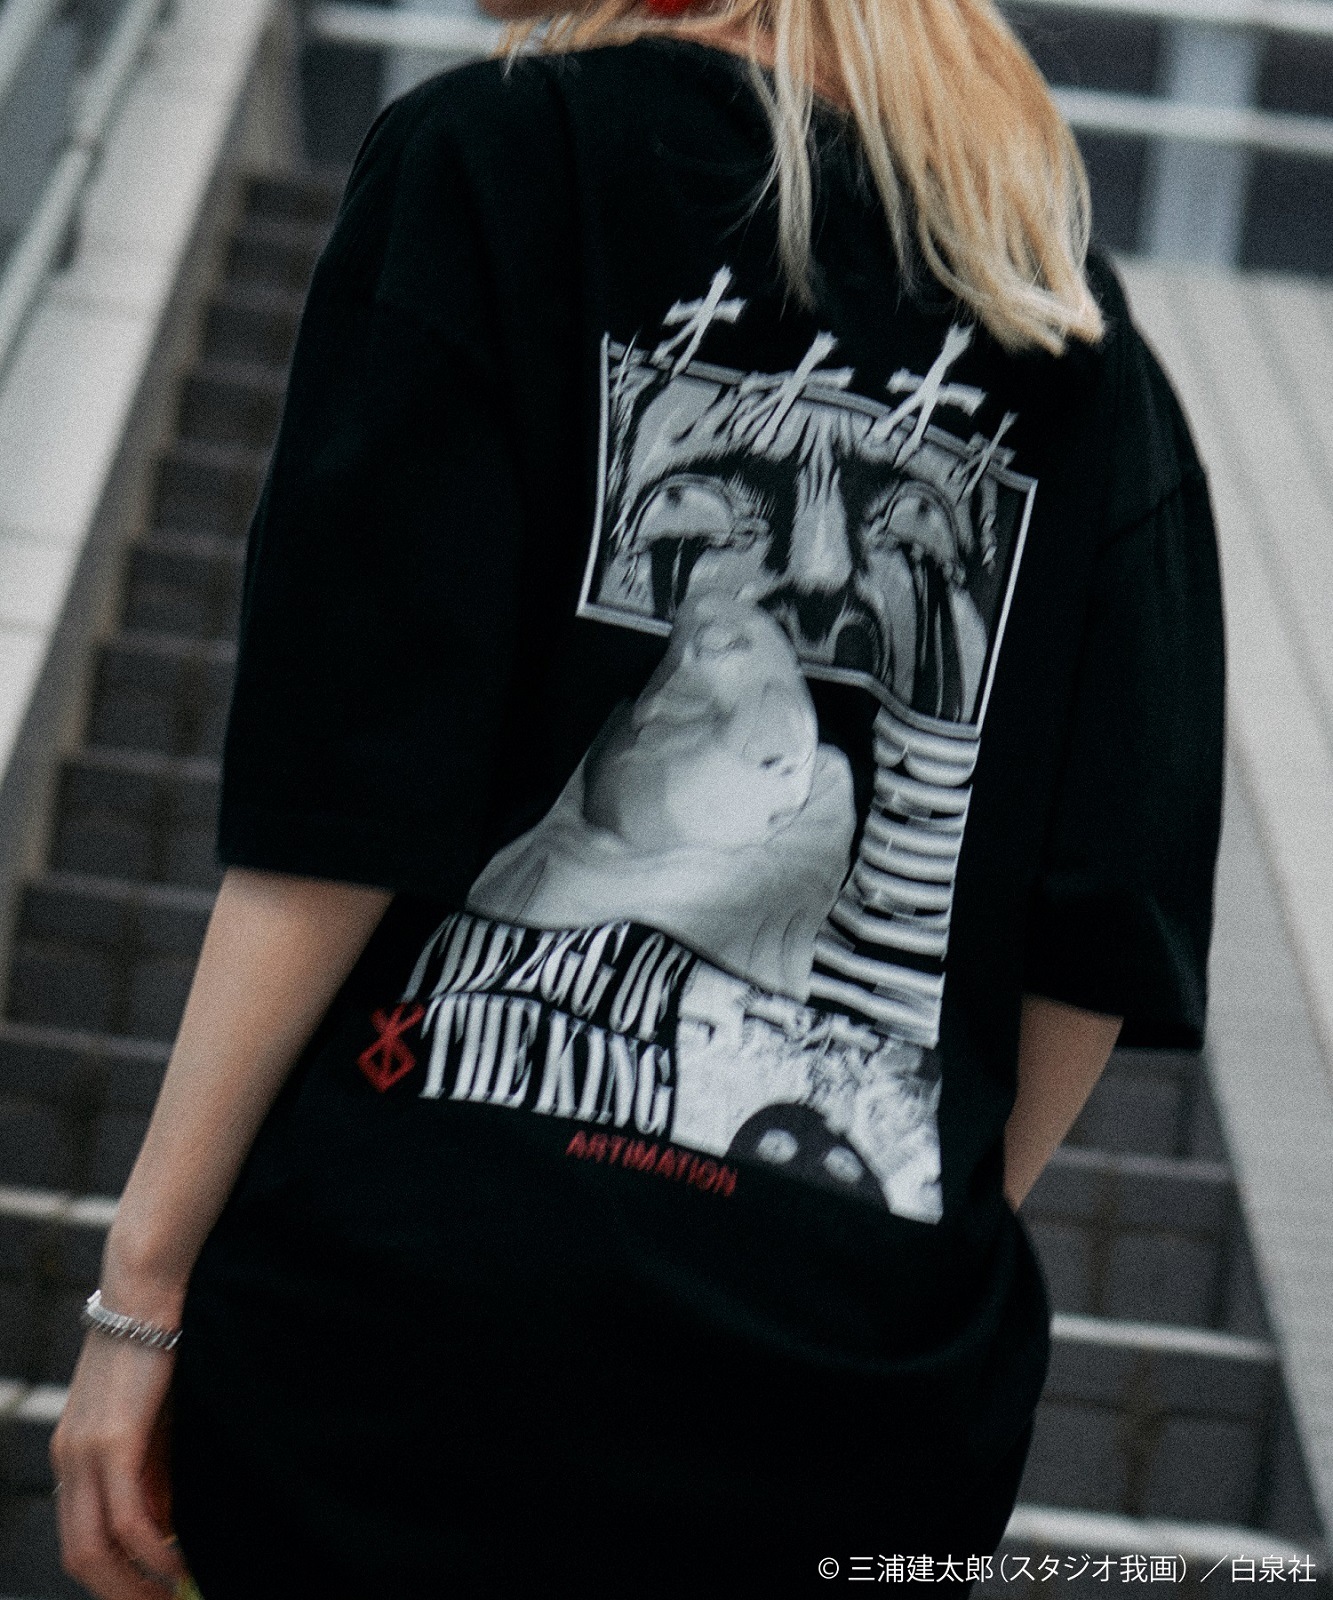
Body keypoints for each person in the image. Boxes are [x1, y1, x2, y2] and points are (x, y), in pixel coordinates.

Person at [50, 0, 1225, 1590]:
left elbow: (344, 790)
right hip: (849, 1403)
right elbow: (1103, 924)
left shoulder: (493, 163)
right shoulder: (1070, 323)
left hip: (404, 1337)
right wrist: (885, 1223)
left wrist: (142, 1287)